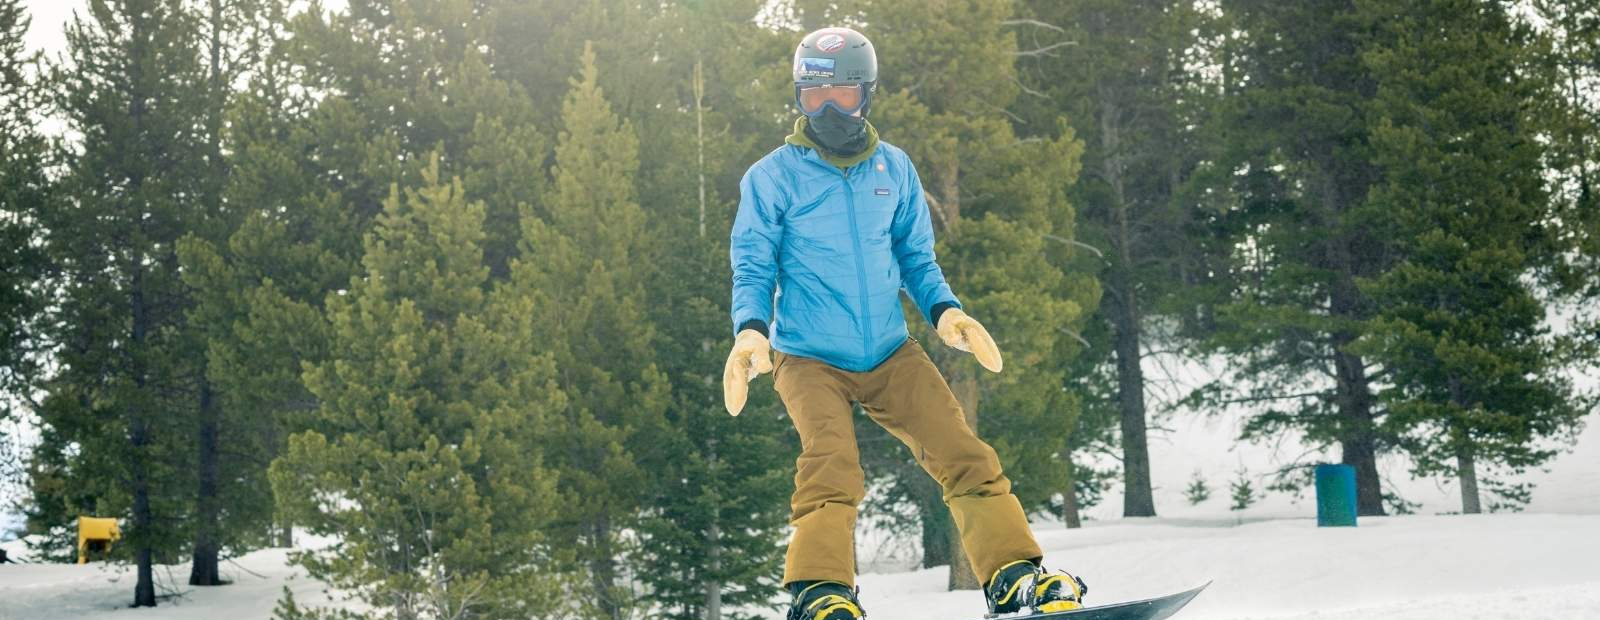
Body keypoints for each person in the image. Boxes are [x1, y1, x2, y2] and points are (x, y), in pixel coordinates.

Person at [723, 26, 1087, 620]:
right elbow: (753, 262)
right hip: (808, 355)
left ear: (866, 93)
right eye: (814, 97)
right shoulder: (773, 176)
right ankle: (821, 593)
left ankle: (1015, 577)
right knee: (831, 461)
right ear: (798, 99)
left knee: (961, 450)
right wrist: (750, 330)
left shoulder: (894, 168)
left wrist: (947, 312)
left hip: (891, 351)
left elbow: (916, 257)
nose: (828, 109)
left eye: (841, 94)